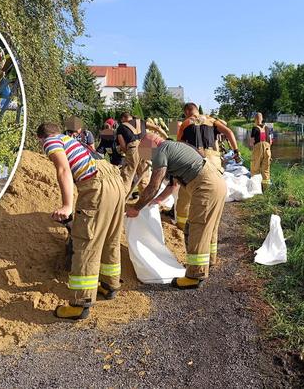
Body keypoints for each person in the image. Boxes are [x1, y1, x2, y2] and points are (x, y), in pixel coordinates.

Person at [38, 122, 124, 320]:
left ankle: (80, 304)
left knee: (87, 243)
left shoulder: (50, 141)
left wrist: (67, 205)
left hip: (97, 184)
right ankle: (110, 285)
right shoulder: (73, 141)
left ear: (40, 138)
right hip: (115, 181)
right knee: (110, 236)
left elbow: (63, 170)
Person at [126, 133, 227, 289]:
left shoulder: (161, 151)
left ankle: (195, 276)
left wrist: (136, 208)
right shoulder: (174, 147)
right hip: (217, 183)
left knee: (196, 229)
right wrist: (157, 200)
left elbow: (154, 185)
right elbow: (172, 185)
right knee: (209, 227)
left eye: (145, 151)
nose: (147, 157)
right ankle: (209, 261)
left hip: (206, 187)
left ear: (152, 144)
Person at [175, 103, 240, 266]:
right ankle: (212, 257)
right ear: (197, 110)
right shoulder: (212, 120)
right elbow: (229, 132)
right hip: (214, 160)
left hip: (195, 160)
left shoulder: (185, 123)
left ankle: (181, 227)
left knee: (185, 197)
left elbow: (179, 146)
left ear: (186, 112)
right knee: (213, 211)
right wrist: (236, 151)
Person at [116, 112, 168, 196]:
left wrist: (128, 154)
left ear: (123, 119)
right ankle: (144, 204)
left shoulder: (121, 127)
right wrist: (166, 137)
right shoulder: (140, 121)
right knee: (144, 177)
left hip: (133, 148)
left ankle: (121, 202)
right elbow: (157, 127)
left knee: (127, 177)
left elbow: (122, 145)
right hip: (146, 146)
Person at [249, 112, 273, 190]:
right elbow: (271, 141)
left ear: (255, 119)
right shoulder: (267, 128)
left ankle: (256, 189)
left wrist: (253, 150)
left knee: (255, 168)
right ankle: (266, 189)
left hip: (258, 148)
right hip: (267, 149)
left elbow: (252, 142)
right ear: (262, 119)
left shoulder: (254, 128)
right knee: (266, 170)